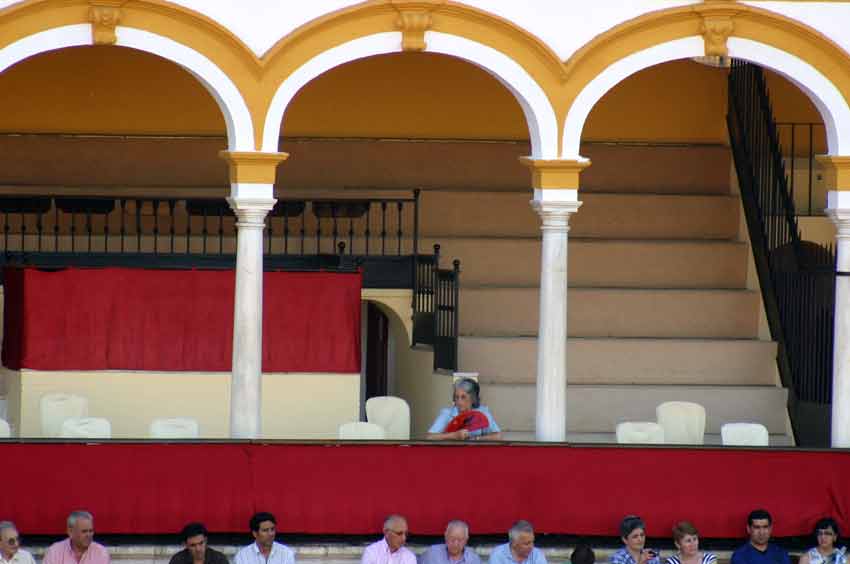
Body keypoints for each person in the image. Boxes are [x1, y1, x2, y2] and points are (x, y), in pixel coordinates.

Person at [427, 378, 501, 440]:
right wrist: (454, 435)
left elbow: (497, 436)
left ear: (473, 398)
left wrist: (476, 439)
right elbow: (430, 437)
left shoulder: (483, 412)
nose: (459, 401)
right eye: (456, 397)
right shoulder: (447, 413)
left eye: (463, 397)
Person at [43, 511, 110, 564]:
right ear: (70, 532)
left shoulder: (101, 552)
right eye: (84, 531)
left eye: (91, 531)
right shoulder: (54, 552)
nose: (88, 535)